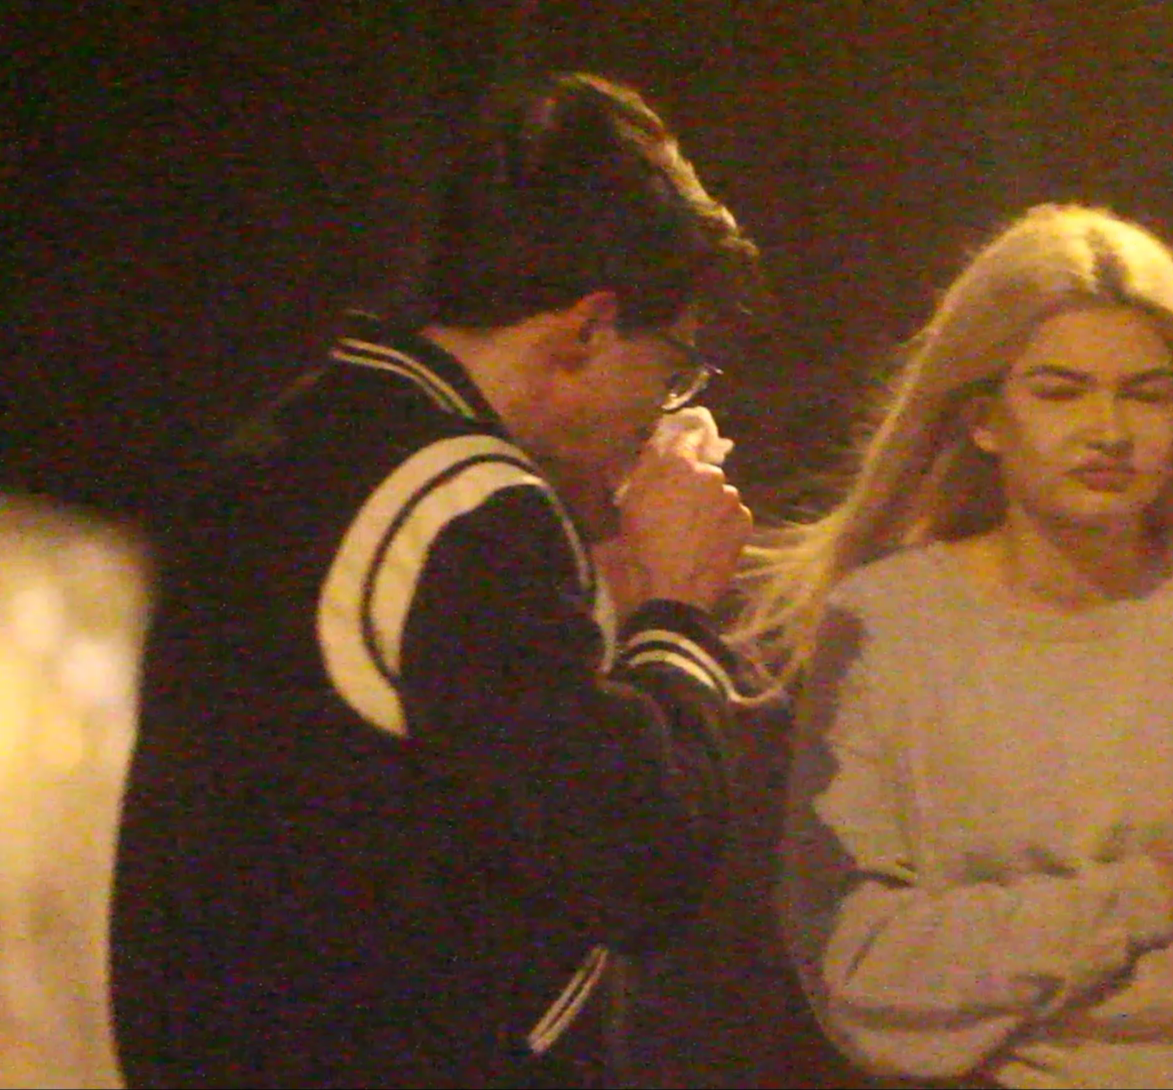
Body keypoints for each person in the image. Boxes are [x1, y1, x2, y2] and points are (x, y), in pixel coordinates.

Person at [110, 71, 760, 1088]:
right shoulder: (463, 504)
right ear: (587, 329)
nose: (663, 407)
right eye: (671, 368)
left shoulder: (314, 434)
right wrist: (676, 612)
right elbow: (638, 864)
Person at [729, 202, 1173, 1089]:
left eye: (1145, 394)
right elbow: (861, 971)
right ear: (984, 418)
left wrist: (987, 977)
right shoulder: (886, 626)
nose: (1109, 430)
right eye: (1061, 391)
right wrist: (1151, 896)